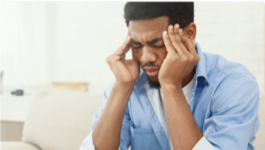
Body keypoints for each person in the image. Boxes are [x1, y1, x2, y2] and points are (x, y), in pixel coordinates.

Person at [80, 2, 260, 150]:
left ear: (189, 34)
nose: (146, 57)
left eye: (158, 43)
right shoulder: (127, 83)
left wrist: (171, 85)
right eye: (137, 45)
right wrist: (122, 87)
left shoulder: (235, 84)